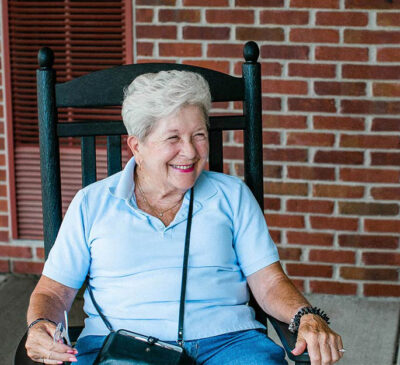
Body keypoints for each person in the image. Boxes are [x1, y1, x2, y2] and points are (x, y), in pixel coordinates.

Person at [25, 70, 343, 365]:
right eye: (173, 138)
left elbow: (270, 282)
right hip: (122, 347)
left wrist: (306, 317)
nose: (190, 152)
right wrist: (40, 326)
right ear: (137, 146)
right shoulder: (92, 204)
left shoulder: (232, 196)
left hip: (230, 344)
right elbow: (53, 292)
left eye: (199, 135)